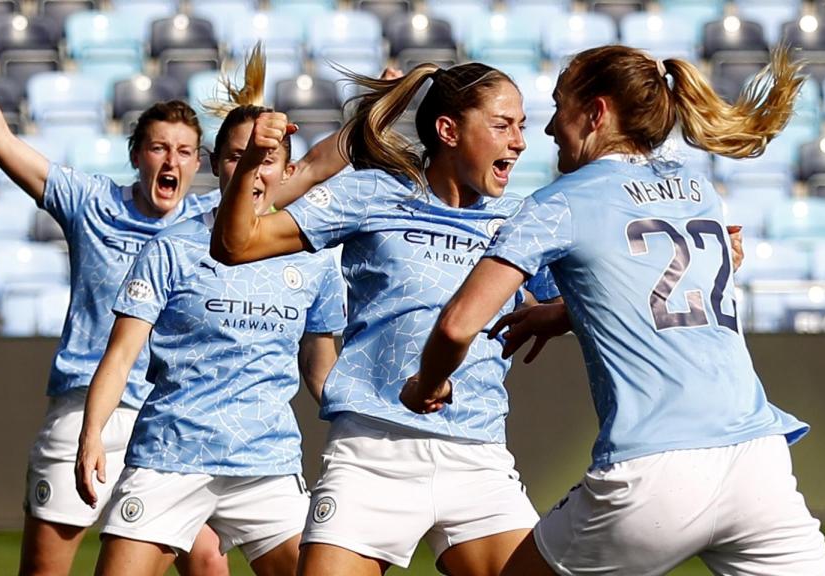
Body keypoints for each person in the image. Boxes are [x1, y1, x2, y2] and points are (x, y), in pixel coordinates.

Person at [402, 46, 825, 575]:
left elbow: (457, 325)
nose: (547, 131)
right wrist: (564, 313)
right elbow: (659, 285)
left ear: (596, 113)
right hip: (757, 464)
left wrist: (427, 384)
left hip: (653, 468)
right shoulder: (699, 190)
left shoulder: (557, 203)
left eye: (559, 107)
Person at [0, 14, 340, 576]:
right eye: (159, 148)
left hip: (184, 412)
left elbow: (299, 173)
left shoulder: (218, 224)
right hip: (95, 402)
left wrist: (380, 110)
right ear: (138, 154)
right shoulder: (92, 203)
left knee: (207, 559)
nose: (171, 161)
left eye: (184, 151)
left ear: (198, 164)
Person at [210, 61, 566, 576]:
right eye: (502, 125)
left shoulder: (517, 222)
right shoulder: (374, 193)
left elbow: (594, 301)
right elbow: (236, 244)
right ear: (448, 130)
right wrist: (251, 167)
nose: (519, 143)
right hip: (372, 452)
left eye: (522, 127)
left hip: (477, 454)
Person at [73, 66, 348, 576]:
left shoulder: (314, 259)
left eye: (267, 160)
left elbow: (319, 366)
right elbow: (121, 354)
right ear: (219, 166)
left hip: (266, 463)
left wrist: (365, 421)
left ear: (287, 173)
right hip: (170, 454)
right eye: (239, 157)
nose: (254, 171)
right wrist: (91, 434)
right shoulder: (171, 247)